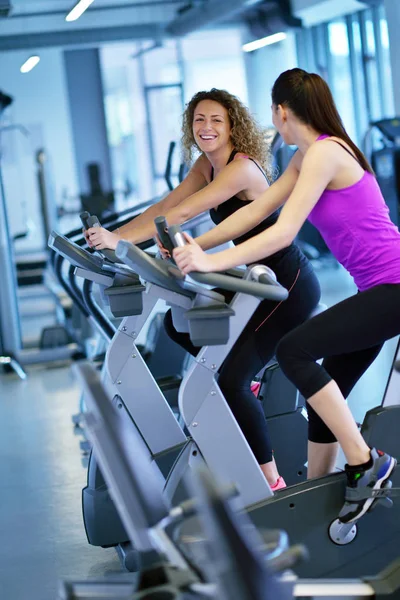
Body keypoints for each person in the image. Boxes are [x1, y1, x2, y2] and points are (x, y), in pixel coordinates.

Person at [173, 69, 398, 524]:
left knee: (292, 350)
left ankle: (366, 462)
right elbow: (256, 211)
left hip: (392, 288)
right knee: (322, 397)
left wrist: (211, 262)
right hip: (376, 290)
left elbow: (283, 231)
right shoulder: (305, 156)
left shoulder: (326, 154)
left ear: (280, 111)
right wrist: (200, 246)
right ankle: (318, 503)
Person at [86, 88, 320, 490]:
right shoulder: (204, 165)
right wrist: (113, 238)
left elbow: (185, 213)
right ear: (190, 127)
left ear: (233, 127)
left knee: (227, 378)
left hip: (286, 283)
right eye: (199, 120)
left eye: (216, 120)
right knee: (178, 326)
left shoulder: (241, 168)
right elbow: (166, 206)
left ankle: (270, 481)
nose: (206, 127)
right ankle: (248, 382)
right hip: (251, 280)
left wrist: (123, 241)